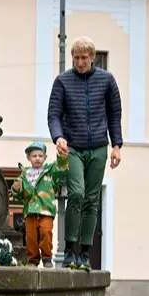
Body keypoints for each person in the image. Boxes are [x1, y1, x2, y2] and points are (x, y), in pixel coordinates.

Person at [47, 36, 123, 271]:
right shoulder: (62, 81)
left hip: (99, 146)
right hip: (74, 147)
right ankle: (69, 249)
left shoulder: (107, 80)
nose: (80, 62)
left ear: (92, 57)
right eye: (76, 58)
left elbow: (114, 113)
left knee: (92, 200)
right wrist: (58, 136)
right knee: (77, 194)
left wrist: (117, 145)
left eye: (84, 58)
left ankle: (86, 253)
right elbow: (54, 114)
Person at [12, 142, 67, 268]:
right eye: (34, 156)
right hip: (30, 211)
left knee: (46, 232)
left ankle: (47, 258)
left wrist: (62, 156)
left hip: (46, 210)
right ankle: (33, 260)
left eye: (40, 156)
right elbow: (18, 194)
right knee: (31, 237)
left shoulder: (50, 172)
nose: (37, 158)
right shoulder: (24, 175)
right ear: (28, 158)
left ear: (45, 157)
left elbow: (61, 168)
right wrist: (16, 189)